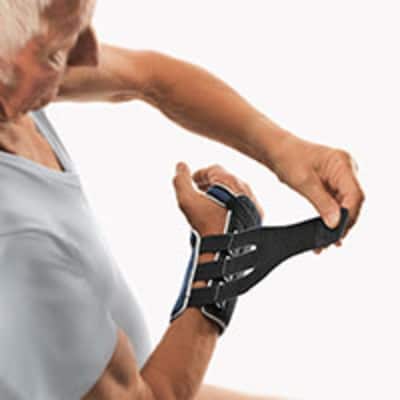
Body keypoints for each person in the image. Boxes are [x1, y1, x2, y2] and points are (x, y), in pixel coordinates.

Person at [0, 1, 365, 399]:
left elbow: (151, 77)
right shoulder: (17, 244)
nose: (89, 55)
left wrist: (284, 150)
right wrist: (220, 260)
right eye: (58, 50)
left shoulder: (18, 76)